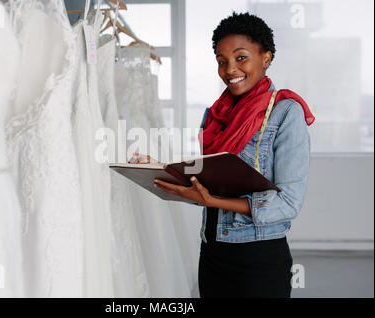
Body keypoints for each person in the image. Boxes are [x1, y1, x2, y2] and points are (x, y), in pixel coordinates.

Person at [130, 12, 315, 298]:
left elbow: (288, 203)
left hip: (259, 258)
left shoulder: (286, 113)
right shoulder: (217, 115)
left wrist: (211, 200)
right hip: (213, 252)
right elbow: (211, 182)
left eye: (241, 57)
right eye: (221, 61)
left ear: (266, 57)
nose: (230, 69)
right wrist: (158, 170)